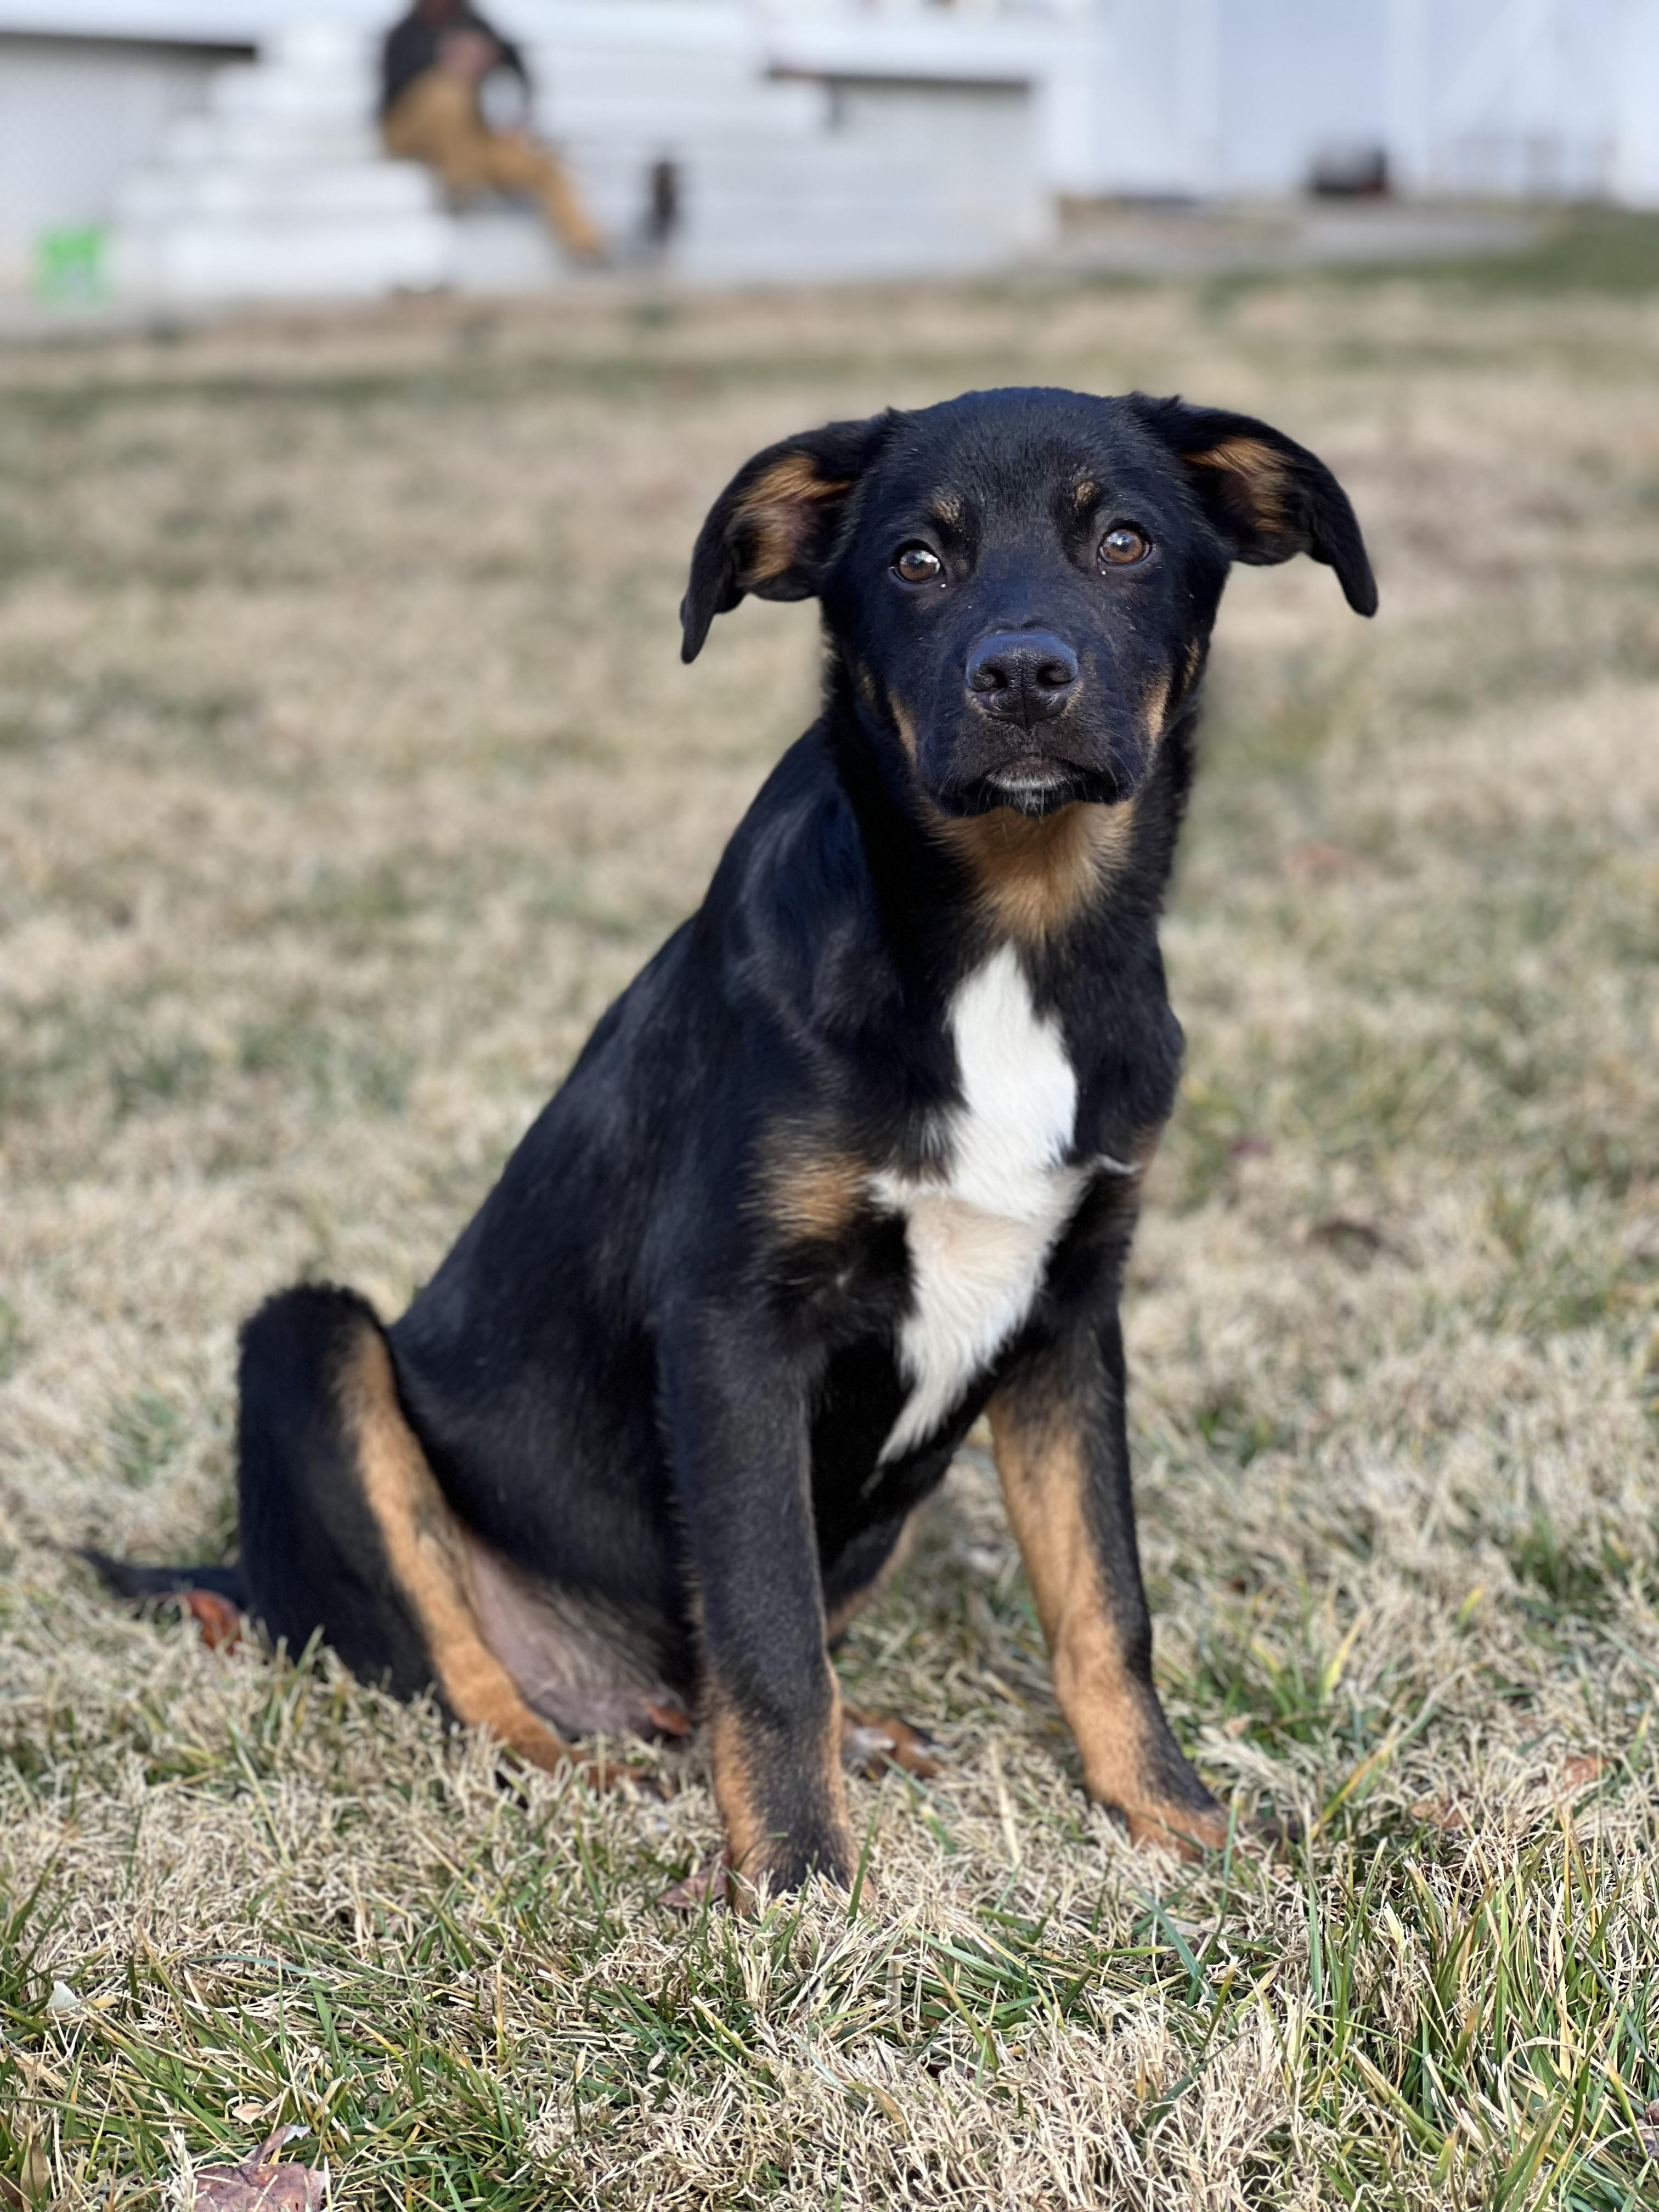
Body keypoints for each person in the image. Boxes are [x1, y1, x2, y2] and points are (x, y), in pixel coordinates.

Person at [380, 0, 605, 263]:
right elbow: (394, 94)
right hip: (412, 136)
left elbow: (516, 67)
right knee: (448, 95)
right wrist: (448, 65)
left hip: (474, 143)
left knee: (544, 166)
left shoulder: (476, 25)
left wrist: (492, 66)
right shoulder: (404, 34)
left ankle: (589, 248)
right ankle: (462, 189)